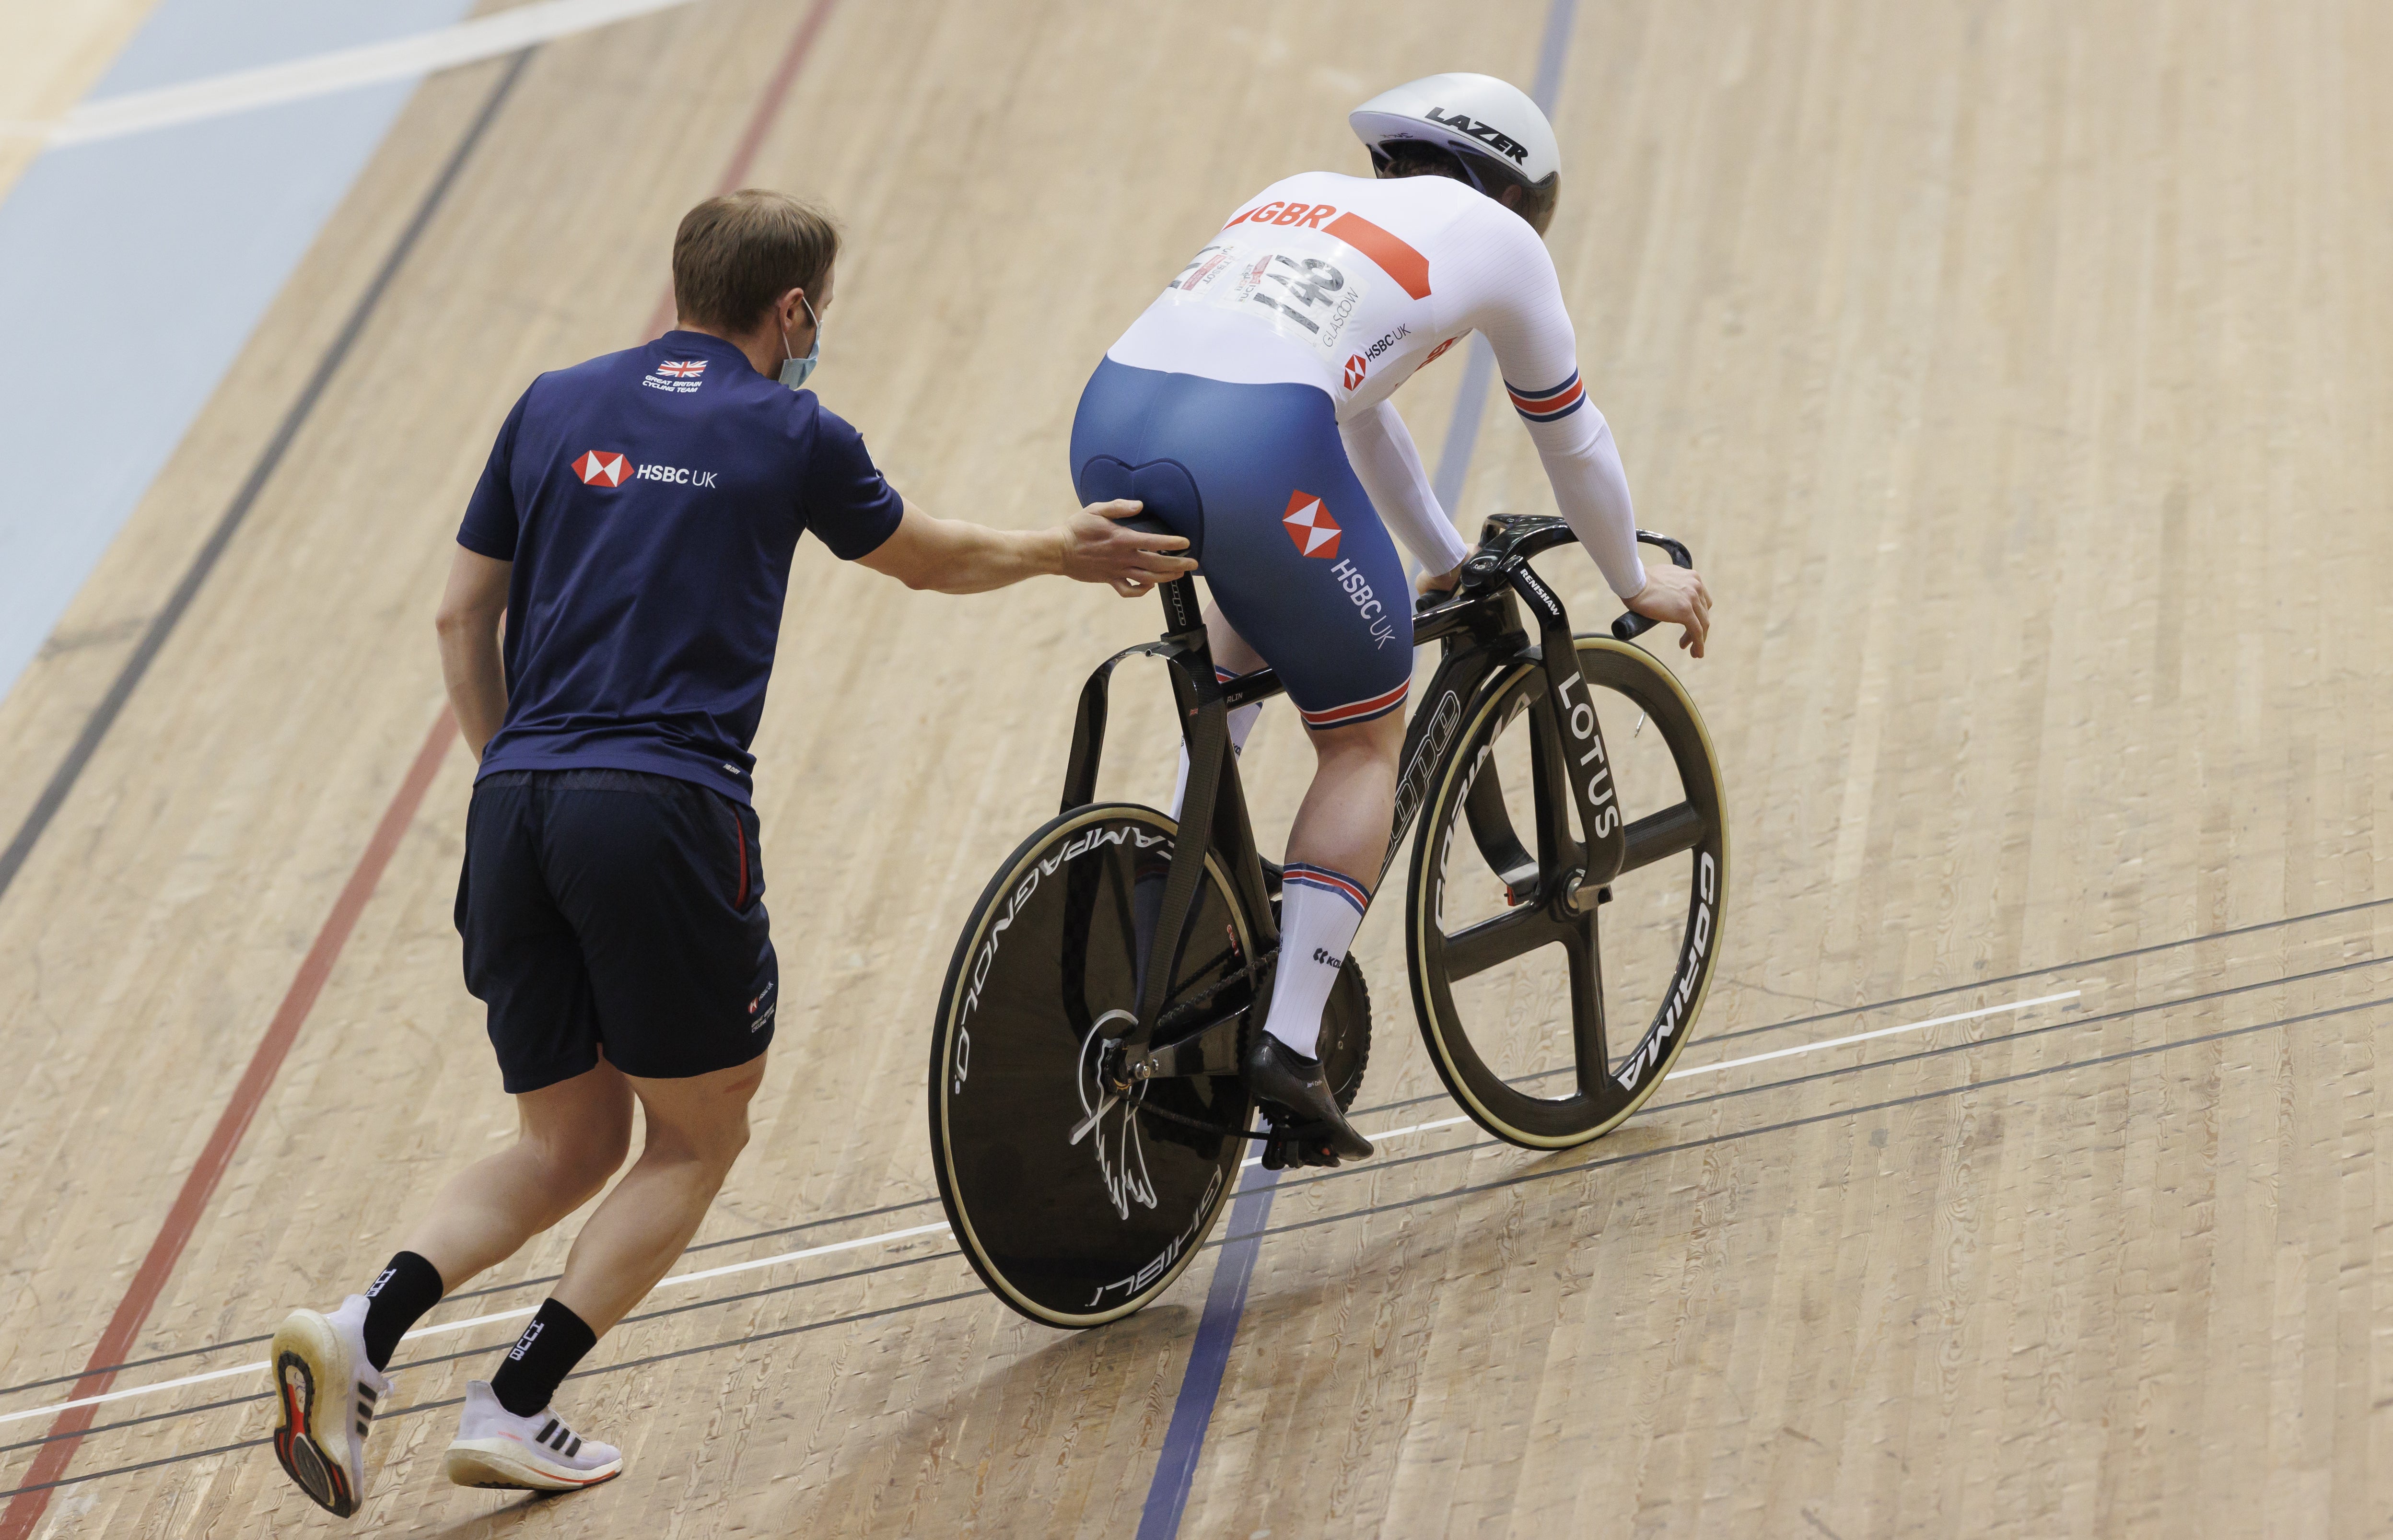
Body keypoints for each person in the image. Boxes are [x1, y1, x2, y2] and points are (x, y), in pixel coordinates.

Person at [265, 189, 1191, 1518]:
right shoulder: (791, 425)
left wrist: (518, 785)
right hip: (660, 808)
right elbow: (926, 560)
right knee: (700, 1134)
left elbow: (459, 618)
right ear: (795, 308)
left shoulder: (551, 402)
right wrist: (1067, 548)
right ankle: (516, 1400)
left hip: (517, 800)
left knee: (565, 1138)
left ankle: (362, 1329)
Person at [1070, 73, 1712, 1164]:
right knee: (1362, 735)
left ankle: (1168, 932)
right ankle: (1285, 1046)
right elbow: (1574, 439)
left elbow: (1360, 423)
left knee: (1249, 641)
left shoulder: (1300, 196)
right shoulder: (1498, 240)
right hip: (1256, 445)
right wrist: (1630, 577)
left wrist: (1449, 561)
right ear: (1513, 189)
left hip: (1113, 423)